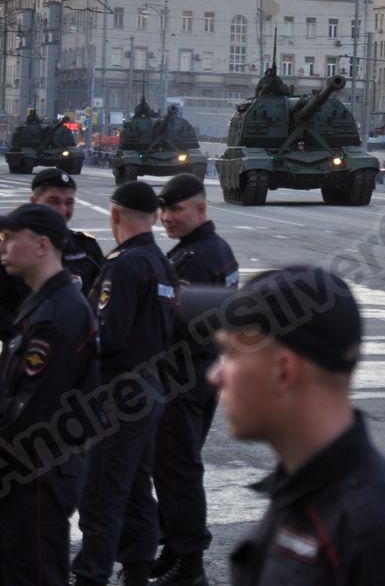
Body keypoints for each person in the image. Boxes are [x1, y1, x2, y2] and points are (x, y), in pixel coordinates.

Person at [191, 267, 385, 586]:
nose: (215, 376)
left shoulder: (382, 539)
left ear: (283, 371)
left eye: (230, 355)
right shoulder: (311, 492)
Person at [0, 204, 99, 586]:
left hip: (37, 471)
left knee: (33, 572)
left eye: (8, 238)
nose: (0, 247)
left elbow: (26, 414)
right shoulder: (45, 302)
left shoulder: (55, 315)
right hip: (32, 469)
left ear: (41, 245)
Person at [72, 182, 179, 586]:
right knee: (134, 487)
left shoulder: (123, 265)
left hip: (117, 393)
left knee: (99, 494)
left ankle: (91, 576)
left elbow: (107, 337)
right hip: (150, 387)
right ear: (152, 217)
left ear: (114, 214)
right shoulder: (160, 263)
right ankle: (136, 566)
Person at [152, 174, 239, 586]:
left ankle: (190, 565)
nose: (167, 217)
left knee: (176, 471)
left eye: (176, 209)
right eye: (164, 209)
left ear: (200, 209)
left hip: (182, 375)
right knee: (173, 467)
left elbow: (179, 325)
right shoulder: (209, 249)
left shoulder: (196, 258)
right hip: (201, 371)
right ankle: (173, 549)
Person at [0, 168, 105, 361]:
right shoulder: (10, 247)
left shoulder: (86, 248)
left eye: (68, 203)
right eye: (53, 202)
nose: (62, 210)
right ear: (34, 202)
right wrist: (26, 335)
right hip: (24, 354)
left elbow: (100, 303)